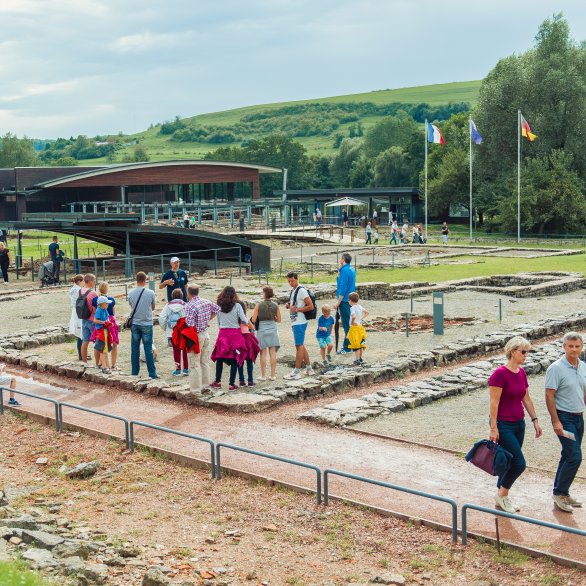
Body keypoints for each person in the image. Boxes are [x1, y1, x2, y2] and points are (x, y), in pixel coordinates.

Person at [488, 336, 542, 514]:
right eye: (523, 352)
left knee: (511, 461)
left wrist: (535, 420)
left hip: (519, 423)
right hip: (504, 424)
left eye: (527, 351)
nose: (526, 355)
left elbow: (526, 398)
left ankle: (501, 495)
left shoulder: (521, 372)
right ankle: (502, 496)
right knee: (519, 463)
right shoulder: (499, 374)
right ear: (512, 352)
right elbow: (494, 403)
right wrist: (494, 428)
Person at [544, 332, 585, 513]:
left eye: (577, 346)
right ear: (564, 347)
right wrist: (556, 421)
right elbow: (549, 395)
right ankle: (560, 494)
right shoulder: (556, 368)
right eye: (570, 346)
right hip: (564, 417)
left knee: (568, 455)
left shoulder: (583, 366)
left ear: (581, 347)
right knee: (575, 456)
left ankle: (562, 492)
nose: (574, 349)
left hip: (578, 417)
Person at [210, 286, 248, 390]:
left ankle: (217, 381)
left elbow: (218, 322)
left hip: (222, 333)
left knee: (219, 358)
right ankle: (231, 384)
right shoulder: (237, 306)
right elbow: (244, 320)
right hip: (235, 334)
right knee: (234, 358)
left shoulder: (219, 306)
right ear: (233, 295)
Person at [185, 284, 220, 392]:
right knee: (204, 361)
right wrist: (207, 320)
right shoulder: (206, 301)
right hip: (205, 333)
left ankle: (195, 389)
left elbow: (189, 323)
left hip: (196, 335)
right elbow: (218, 309)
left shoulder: (190, 305)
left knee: (194, 363)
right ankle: (205, 386)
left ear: (188, 293)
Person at [284, 272, 314, 380]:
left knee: (299, 346)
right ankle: (309, 368)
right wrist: (289, 305)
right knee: (300, 345)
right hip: (295, 321)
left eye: (292, 281)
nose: (290, 283)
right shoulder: (294, 290)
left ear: (297, 279)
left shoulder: (301, 290)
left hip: (299, 322)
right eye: (289, 281)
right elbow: (295, 302)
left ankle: (296, 371)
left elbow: (311, 306)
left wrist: (297, 309)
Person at [128, 271, 157, 379]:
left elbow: (131, 306)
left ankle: (135, 373)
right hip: (147, 323)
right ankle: (152, 374)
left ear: (136, 280)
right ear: (145, 280)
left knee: (134, 348)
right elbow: (153, 307)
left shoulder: (130, 293)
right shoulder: (151, 292)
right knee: (148, 348)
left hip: (135, 323)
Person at [251, 286, 281, 381]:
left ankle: (263, 376)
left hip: (262, 330)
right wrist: (273, 318)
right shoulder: (275, 305)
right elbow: (279, 320)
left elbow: (254, 320)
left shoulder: (258, 305)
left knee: (262, 353)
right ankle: (273, 375)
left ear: (264, 294)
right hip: (272, 328)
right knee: (272, 353)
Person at [91, 282, 119, 371]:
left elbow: (94, 311)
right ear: (107, 289)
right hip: (108, 322)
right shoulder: (111, 299)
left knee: (98, 344)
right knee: (113, 343)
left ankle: (98, 363)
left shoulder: (95, 300)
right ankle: (113, 364)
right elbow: (113, 313)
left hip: (99, 325)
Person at [159, 289, 188, 376]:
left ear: (172, 296)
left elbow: (162, 318)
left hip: (172, 331)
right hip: (183, 331)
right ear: (182, 296)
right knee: (185, 350)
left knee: (176, 350)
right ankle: (186, 369)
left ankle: (178, 369)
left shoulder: (167, 306)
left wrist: (166, 328)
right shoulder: (185, 305)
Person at [333, 253, 356, 355]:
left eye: (340, 259)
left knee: (347, 324)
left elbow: (343, 287)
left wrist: (338, 302)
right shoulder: (351, 269)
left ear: (343, 260)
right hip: (350, 299)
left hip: (345, 300)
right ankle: (351, 344)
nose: (339, 261)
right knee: (349, 323)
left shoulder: (345, 271)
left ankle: (347, 347)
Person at [237, 301, 259, 387]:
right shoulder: (244, 317)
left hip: (239, 339)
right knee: (249, 360)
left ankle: (241, 381)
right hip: (247, 339)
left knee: (240, 361)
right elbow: (252, 327)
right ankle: (250, 381)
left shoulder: (236, 318)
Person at [79, 274, 98, 363]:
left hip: (84, 318)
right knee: (97, 342)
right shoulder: (93, 293)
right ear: (90, 281)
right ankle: (97, 362)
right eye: (94, 281)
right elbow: (95, 309)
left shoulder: (81, 290)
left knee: (85, 341)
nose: (95, 283)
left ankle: (84, 362)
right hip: (92, 319)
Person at [92, 296, 114, 374]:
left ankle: (107, 366)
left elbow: (107, 318)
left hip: (105, 330)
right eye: (106, 303)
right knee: (102, 350)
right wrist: (104, 322)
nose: (108, 304)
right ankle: (104, 367)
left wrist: (108, 322)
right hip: (101, 332)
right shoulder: (99, 310)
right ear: (102, 304)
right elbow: (95, 320)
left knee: (105, 349)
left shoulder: (105, 310)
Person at [347, 292, 368, 366]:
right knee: (361, 343)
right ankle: (360, 358)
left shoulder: (352, 308)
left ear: (350, 300)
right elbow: (367, 313)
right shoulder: (359, 306)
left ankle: (357, 359)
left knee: (356, 344)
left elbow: (353, 316)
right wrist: (361, 319)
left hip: (354, 328)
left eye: (348, 300)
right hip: (360, 327)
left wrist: (352, 322)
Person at [68, 274, 84, 360]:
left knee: (81, 333)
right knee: (81, 333)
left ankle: (82, 353)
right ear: (79, 281)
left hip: (76, 311)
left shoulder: (74, 289)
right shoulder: (78, 290)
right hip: (78, 312)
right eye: (83, 281)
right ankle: (81, 354)